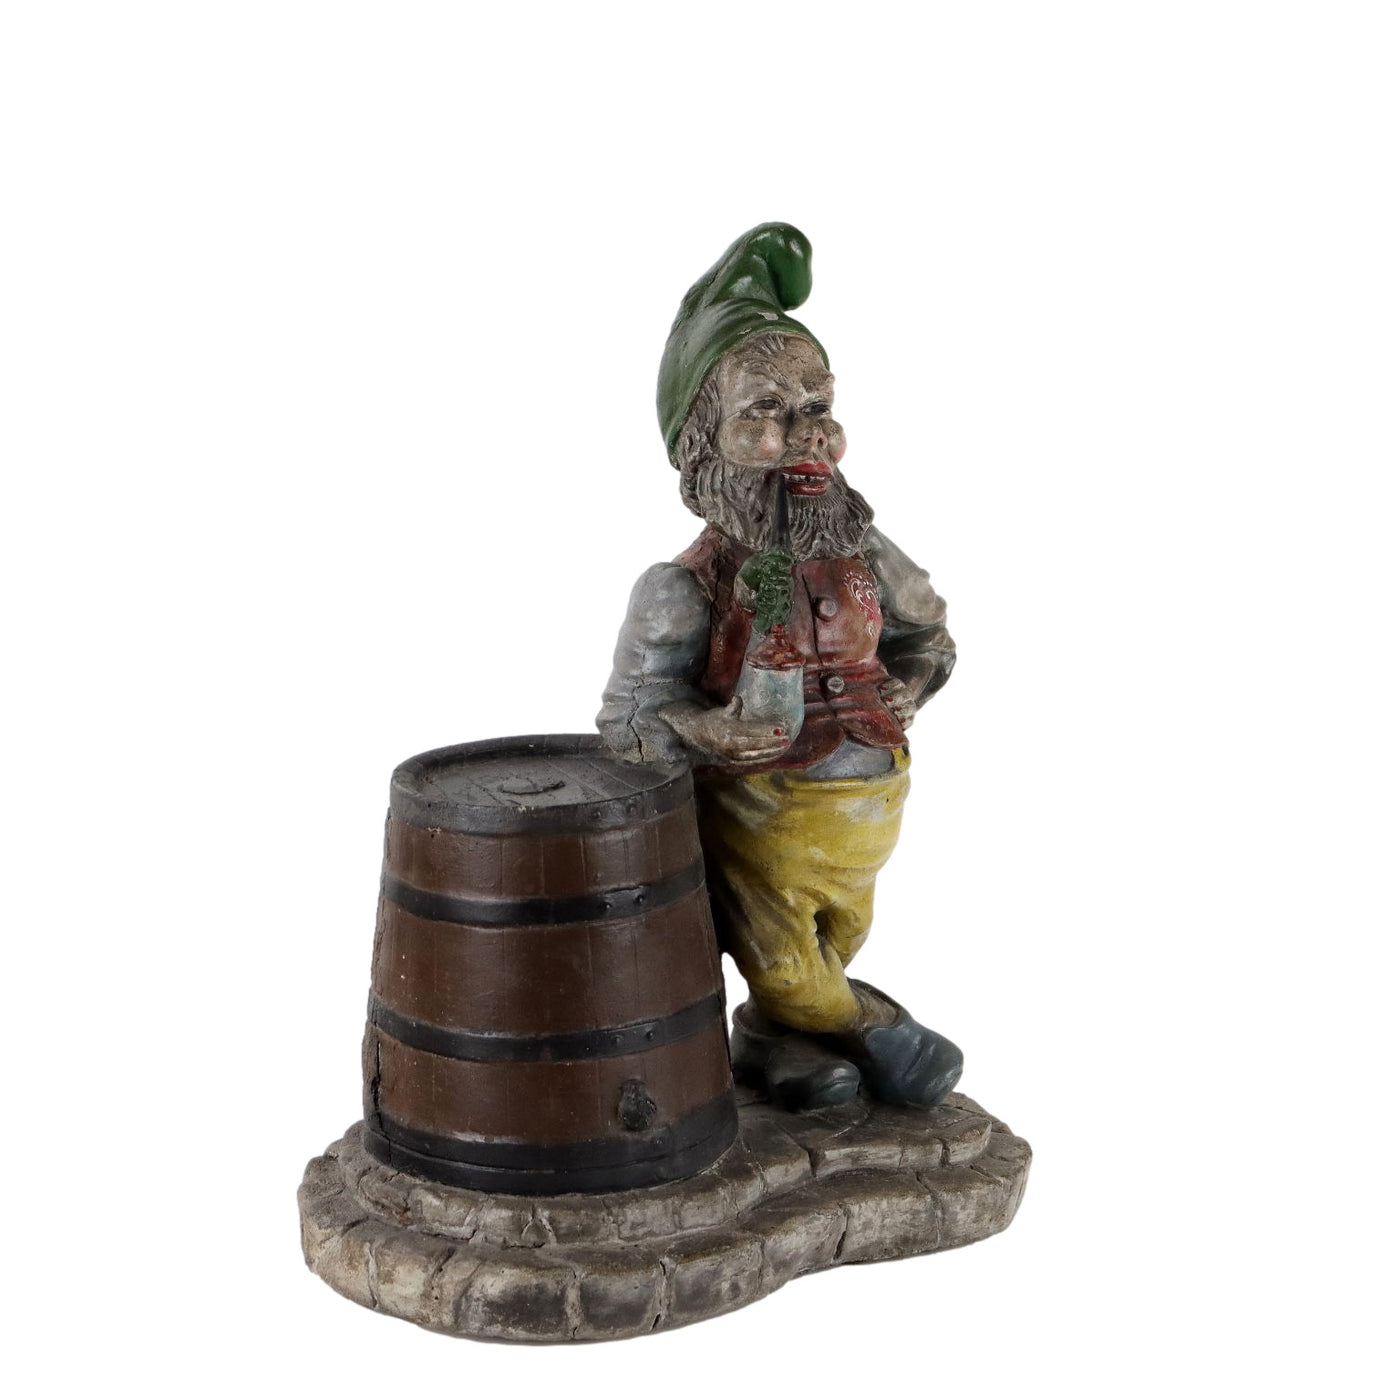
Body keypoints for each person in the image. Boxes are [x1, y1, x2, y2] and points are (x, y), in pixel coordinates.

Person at [599, 224, 963, 1111]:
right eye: (764, 411)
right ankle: (884, 1033)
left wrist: (911, 687)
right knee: (789, 962)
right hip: (761, 810)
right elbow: (629, 718)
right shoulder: (682, 588)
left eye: (817, 406)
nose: (805, 436)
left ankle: (772, 1043)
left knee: (836, 941)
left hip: (872, 804)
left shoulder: (864, 551)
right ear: (703, 442)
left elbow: (928, 634)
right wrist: (710, 730)